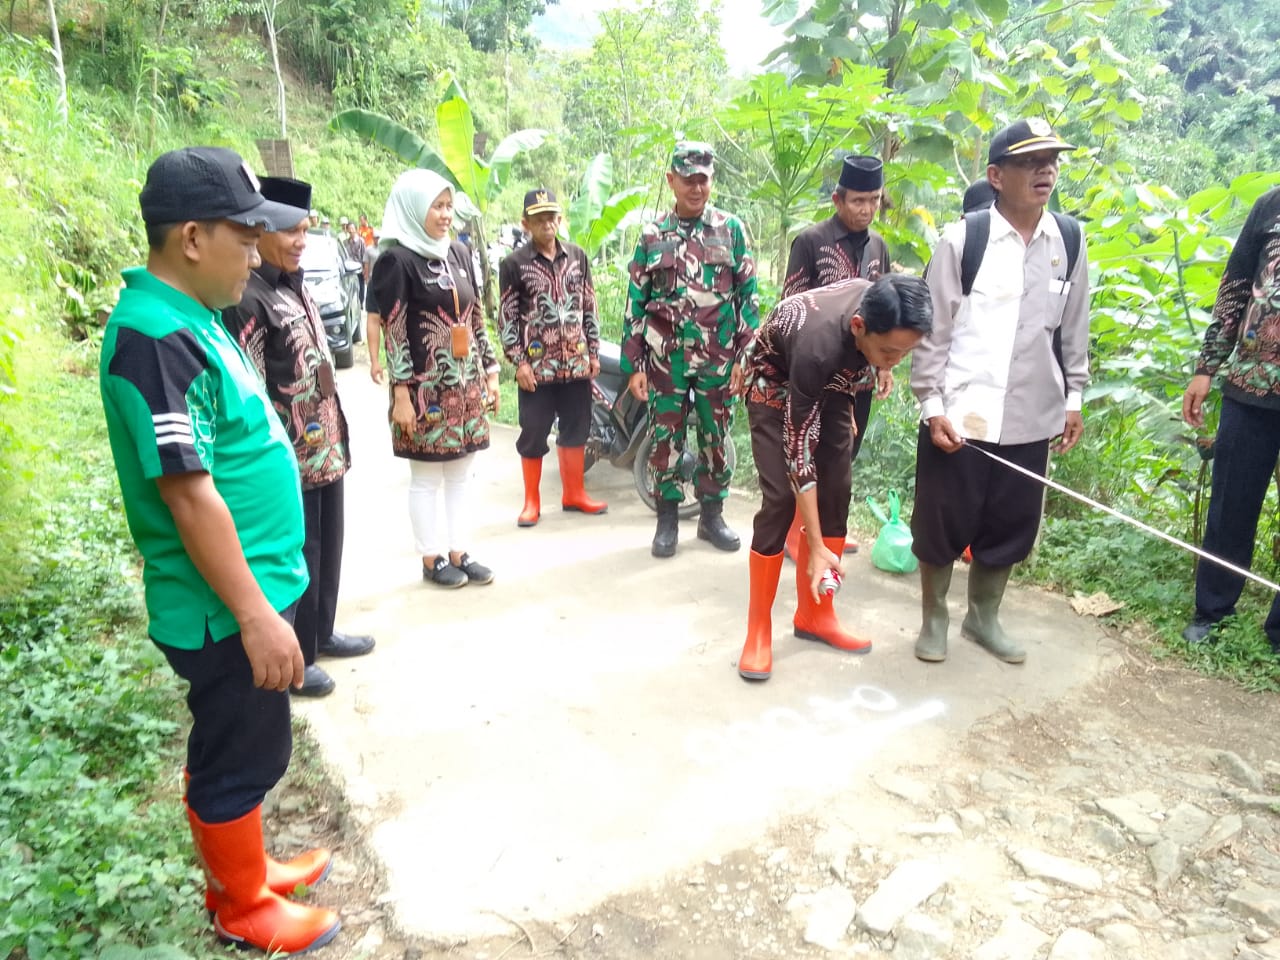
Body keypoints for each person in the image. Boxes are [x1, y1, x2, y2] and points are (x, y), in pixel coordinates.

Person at [99, 146, 340, 952]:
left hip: (248, 593)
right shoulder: (155, 340)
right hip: (221, 607)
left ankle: (247, 871)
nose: (256, 252)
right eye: (246, 237)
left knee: (246, 740)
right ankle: (241, 908)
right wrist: (254, 615)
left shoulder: (192, 319)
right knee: (243, 750)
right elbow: (188, 493)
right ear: (193, 238)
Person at [910, 118, 1090, 665]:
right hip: (962, 416)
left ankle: (983, 617)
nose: (1046, 171)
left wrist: (1074, 397)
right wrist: (930, 405)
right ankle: (935, 616)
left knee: (1012, 522)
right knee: (942, 520)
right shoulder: (964, 240)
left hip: (1032, 414)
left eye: (1051, 160)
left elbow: (1073, 326)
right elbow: (933, 329)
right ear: (996, 175)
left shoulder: (1070, 241)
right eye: (1030, 162)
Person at [222, 176, 376, 700]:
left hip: (324, 447)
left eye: (305, 230)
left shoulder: (296, 284)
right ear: (261, 231)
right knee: (300, 552)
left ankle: (322, 630)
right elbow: (253, 388)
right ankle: (298, 651)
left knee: (328, 545)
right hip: (288, 454)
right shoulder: (249, 299)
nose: (298, 241)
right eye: (290, 231)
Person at [739, 275, 934, 681]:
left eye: (904, 353)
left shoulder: (879, 308)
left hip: (832, 384)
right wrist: (812, 540)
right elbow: (798, 456)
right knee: (780, 499)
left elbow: (863, 356)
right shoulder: (817, 345)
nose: (895, 359)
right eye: (889, 352)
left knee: (837, 488)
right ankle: (758, 631)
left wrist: (877, 366)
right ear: (861, 327)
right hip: (774, 382)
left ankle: (815, 614)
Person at [622, 141, 759, 558]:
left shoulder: (730, 230)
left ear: (711, 180)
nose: (696, 188)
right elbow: (635, 302)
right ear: (671, 181)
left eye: (703, 179)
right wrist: (635, 365)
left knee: (715, 436)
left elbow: (748, 299)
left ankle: (712, 516)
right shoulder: (651, 234)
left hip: (718, 359)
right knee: (665, 437)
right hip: (666, 361)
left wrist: (744, 357)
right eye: (688, 180)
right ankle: (667, 518)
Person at [368, 168, 501, 588]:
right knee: (427, 477)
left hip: (466, 384)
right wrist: (402, 394)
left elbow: (475, 316)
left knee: (462, 472)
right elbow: (395, 329)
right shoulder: (397, 261)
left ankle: (460, 550)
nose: (446, 215)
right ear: (412, 209)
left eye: (448, 206)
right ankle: (431, 558)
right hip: (426, 389)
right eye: (436, 207)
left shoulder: (458, 253)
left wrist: (491, 371)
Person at [779, 154, 895, 560]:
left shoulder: (879, 245)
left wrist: (882, 366)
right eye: (858, 201)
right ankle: (798, 533)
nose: (866, 210)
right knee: (808, 450)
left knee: (844, 455)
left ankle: (827, 528)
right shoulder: (811, 243)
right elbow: (790, 310)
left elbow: (885, 314)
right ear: (837, 199)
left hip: (859, 376)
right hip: (818, 371)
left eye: (874, 200)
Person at [1181, 186, 1280, 657]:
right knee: (1231, 507)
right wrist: (1206, 367)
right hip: (1251, 385)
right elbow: (1236, 287)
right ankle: (1213, 610)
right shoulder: (1270, 204)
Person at [499, 187, 608, 526]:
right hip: (537, 366)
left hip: (575, 363)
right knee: (533, 431)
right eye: (539, 217)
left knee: (577, 427)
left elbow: (588, 305)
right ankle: (532, 501)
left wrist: (593, 350)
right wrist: (518, 361)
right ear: (526, 222)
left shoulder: (578, 256)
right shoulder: (514, 264)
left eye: (552, 216)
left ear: (560, 219)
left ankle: (573, 493)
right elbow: (506, 315)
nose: (547, 223)